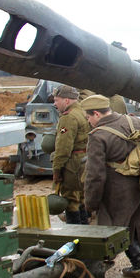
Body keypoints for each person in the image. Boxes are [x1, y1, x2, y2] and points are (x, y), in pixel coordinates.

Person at [83, 95, 140, 278]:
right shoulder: (134, 121)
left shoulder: (98, 136)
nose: (89, 122)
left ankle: (138, 265)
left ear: (96, 114)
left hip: (118, 188)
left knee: (121, 226)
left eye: (89, 118)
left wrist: (91, 202)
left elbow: (95, 175)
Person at [51, 85, 91, 224]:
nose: (55, 104)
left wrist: (57, 169)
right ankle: (84, 230)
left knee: (70, 200)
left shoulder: (68, 118)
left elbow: (63, 148)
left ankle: (75, 233)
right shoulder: (84, 112)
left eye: (57, 100)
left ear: (67, 101)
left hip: (72, 165)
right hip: (85, 161)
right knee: (81, 198)